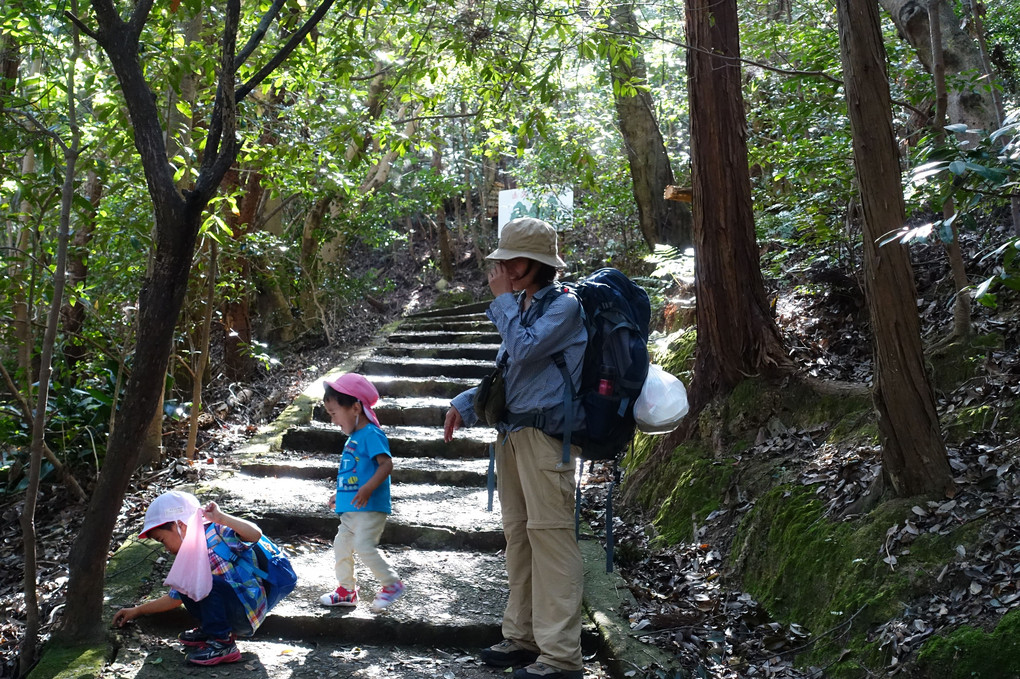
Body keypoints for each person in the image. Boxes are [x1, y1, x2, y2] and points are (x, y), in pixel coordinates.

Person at [444, 217, 587, 679]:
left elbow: (525, 350)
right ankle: (523, 636)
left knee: (551, 539)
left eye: (512, 259)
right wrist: (467, 403)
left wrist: (502, 301)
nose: (503, 266)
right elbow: (510, 367)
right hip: (511, 434)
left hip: (546, 439)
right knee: (519, 538)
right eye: (501, 259)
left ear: (538, 264)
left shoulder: (564, 307)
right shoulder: (523, 303)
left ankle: (561, 656)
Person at [112, 490, 266, 666]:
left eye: (162, 540)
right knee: (185, 582)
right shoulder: (187, 554)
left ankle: (223, 643)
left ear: (180, 525)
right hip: (230, 611)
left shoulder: (216, 532)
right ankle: (211, 631)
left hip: (245, 611)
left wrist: (221, 518)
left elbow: (255, 535)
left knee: (204, 581)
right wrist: (137, 610)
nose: (165, 548)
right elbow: (174, 597)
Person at [318, 372, 405, 612]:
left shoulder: (371, 434)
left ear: (355, 408)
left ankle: (391, 584)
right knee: (342, 545)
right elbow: (353, 473)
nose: (334, 421)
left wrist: (367, 489)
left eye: (334, 414)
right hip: (352, 508)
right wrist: (341, 495)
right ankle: (346, 590)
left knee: (364, 546)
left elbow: (386, 464)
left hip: (370, 507)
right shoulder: (354, 437)